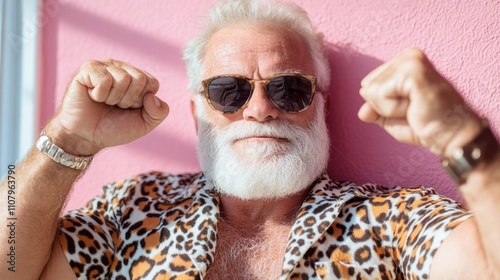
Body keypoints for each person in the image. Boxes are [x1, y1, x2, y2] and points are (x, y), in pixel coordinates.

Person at [1, 0, 499, 279]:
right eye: (228, 91)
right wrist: (67, 141)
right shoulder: (132, 207)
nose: (259, 109)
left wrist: (462, 135)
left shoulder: (392, 222)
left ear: (319, 105)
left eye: (288, 89)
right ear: (198, 114)